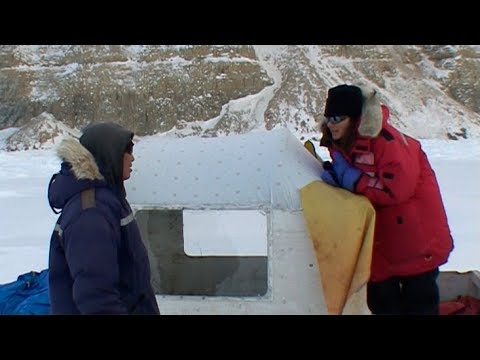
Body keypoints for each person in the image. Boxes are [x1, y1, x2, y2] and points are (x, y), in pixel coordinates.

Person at [318, 84, 454, 315]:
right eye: (328, 118)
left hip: (417, 241)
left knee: (419, 305)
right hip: (382, 244)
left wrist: (354, 181)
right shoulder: (342, 142)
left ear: (355, 119)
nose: (331, 124)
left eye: (338, 118)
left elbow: (398, 189)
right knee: (382, 304)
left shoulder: (387, 143)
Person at [47, 122, 160, 315]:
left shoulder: (108, 199)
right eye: (127, 150)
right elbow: (96, 297)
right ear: (110, 153)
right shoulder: (91, 213)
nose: (132, 158)